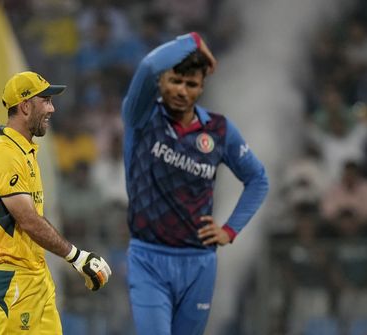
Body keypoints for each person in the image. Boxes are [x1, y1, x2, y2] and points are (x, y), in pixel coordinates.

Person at [122, 32, 269, 335]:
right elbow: (149, 65)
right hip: (148, 258)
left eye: (191, 84)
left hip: (199, 264)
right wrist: (191, 41)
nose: (181, 91)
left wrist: (229, 230)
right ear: (161, 83)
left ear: (202, 88)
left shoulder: (219, 130)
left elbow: (258, 180)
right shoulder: (141, 116)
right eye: (175, 81)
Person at [0, 71, 111, 334]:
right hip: (12, 278)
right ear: (26, 106)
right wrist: (76, 256)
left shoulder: (24, 151)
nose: (52, 108)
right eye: (46, 100)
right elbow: (27, 219)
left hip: (33, 276)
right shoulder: (4, 153)